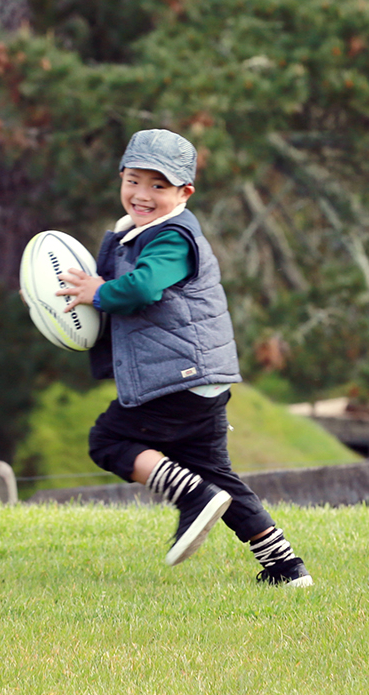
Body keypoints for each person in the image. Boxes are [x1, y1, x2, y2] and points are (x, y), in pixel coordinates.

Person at [55, 128, 313, 587]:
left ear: (184, 193)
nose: (142, 194)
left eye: (159, 185)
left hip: (179, 378)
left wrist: (100, 292)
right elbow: (99, 291)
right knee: (218, 477)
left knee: (108, 441)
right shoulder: (131, 234)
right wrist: (49, 296)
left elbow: (141, 288)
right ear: (121, 178)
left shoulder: (174, 237)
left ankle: (191, 496)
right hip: (198, 381)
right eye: (134, 181)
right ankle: (285, 568)